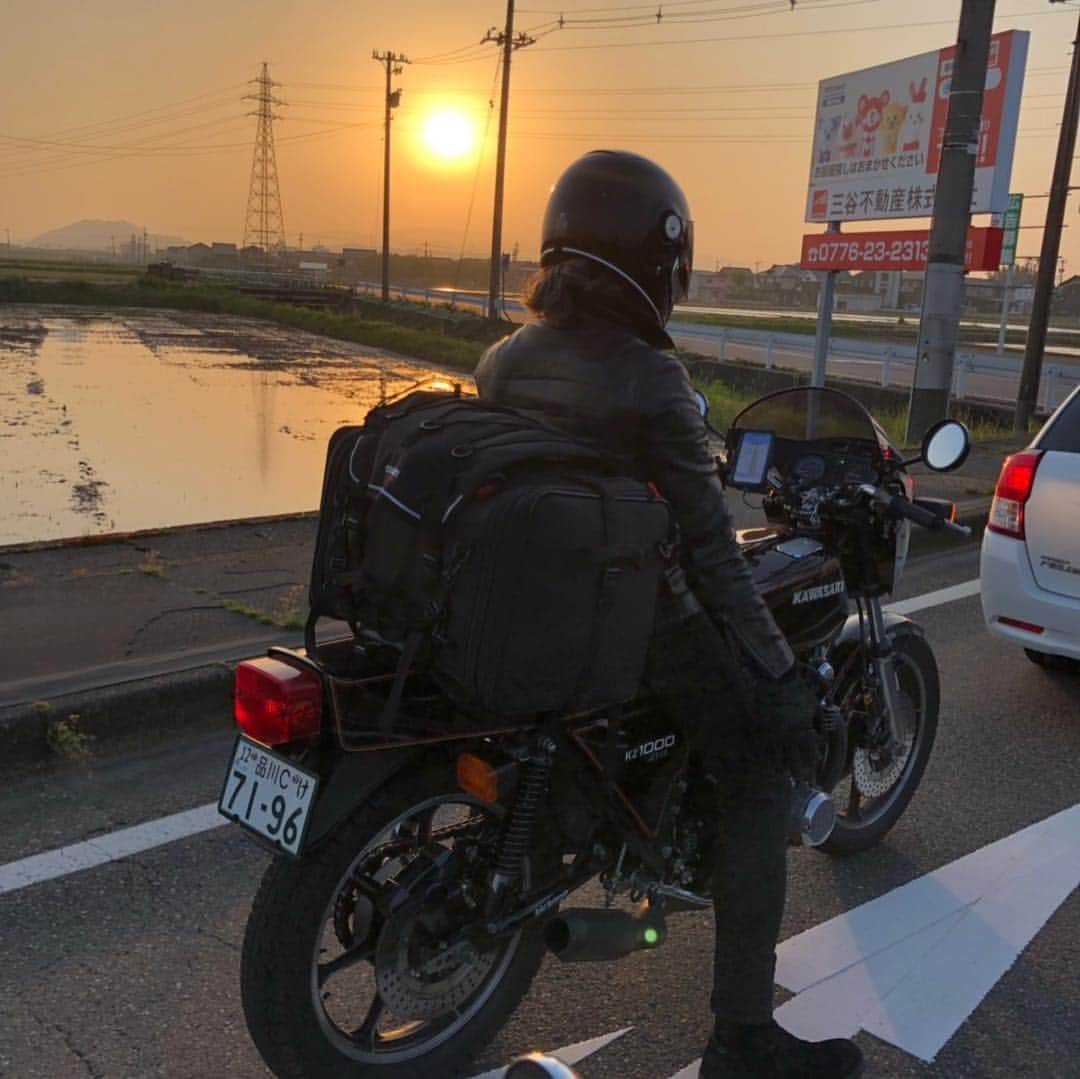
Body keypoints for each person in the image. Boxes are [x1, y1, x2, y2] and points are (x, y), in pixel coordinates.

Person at [475, 150, 863, 1079]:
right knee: (763, 773)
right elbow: (712, 557)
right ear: (658, 261)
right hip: (629, 629)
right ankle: (743, 1039)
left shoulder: (504, 357)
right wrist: (777, 682)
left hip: (519, 607)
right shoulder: (652, 380)